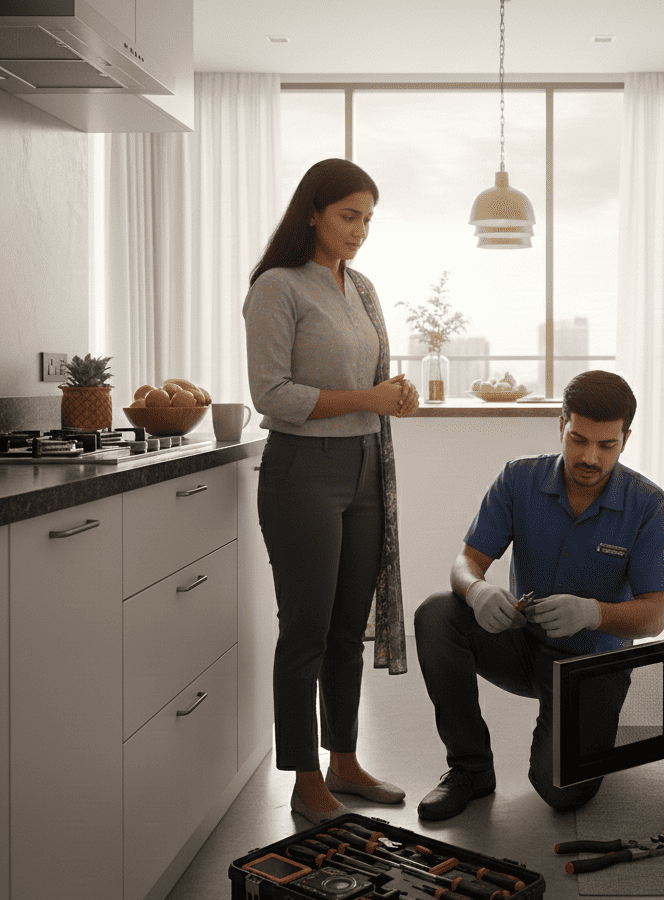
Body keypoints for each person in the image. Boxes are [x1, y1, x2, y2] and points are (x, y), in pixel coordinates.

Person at [413, 370, 664, 820]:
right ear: (561, 426)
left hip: (593, 667)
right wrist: (477, 592)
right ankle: (470, 769)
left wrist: (592, 614)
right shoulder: (518, 479)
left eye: (606, 445)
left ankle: (586, 731)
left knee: (562, 793)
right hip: (524, 647)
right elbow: (466, 563)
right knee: (437, 614)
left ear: (625, 439)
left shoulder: (649, 504)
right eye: (578, 440)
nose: (590, 457)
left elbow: (654, 618)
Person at [243, 158, 418, 826]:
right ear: (312, 211)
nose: (360, 230)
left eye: (369, 218)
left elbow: (368, 383)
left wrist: (393, 398)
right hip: (302, 474)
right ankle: (303, 775)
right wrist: (365, 398)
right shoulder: (277, 288)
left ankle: (344, 760)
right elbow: (273, 395)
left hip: (365, 469)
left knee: (349, 628)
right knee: (307, 631)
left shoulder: (363, 287)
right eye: (349, 215)